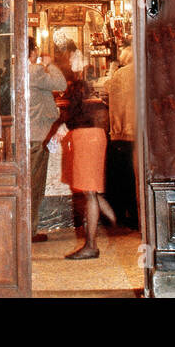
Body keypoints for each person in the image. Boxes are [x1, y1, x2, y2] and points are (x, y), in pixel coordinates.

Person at [49, 78, 115, 259]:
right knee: (93, 191)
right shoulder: (95, 107)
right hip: (98, 139)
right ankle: (116, 224)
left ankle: (91, 245)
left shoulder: (72, 113)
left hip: (84, 143)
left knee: (90, 194)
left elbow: (56, 138)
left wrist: (48, 147)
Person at [28, 37, 66, 243]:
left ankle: (26, 228)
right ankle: (30, 230)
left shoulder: (19, 69)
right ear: (32, 51)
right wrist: (50, 63)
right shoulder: (34, 70)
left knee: (29, 183)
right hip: (38, 135)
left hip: (27, 134)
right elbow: (61, 84)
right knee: (34, 185)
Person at [104, 44, 138, 229]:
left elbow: (107, 90)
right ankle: (136, 215)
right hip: (138, 132)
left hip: (119, 132)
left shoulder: (119, 74)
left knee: (122, 176)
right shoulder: (142, 72)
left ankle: (121, 215)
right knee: (136, 176)